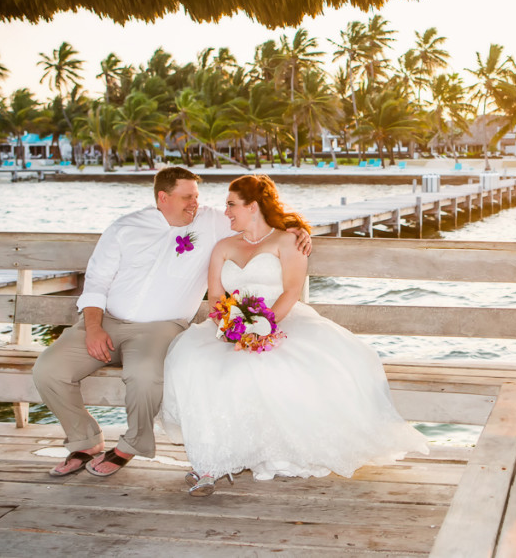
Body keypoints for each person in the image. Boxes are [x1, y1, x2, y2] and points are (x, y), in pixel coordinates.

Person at [32, 167, 311, 478]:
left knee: (144, 376)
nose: (195, 203)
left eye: (197, 196)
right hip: (105, 320)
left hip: (159, 328)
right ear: (163, 198)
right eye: (187, 197)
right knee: (48, 371)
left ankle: (132, 444)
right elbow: (96, 282)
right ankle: (85, 440)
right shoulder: (125, 228)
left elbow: (259, 215)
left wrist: (298, 230)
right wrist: (94, 327)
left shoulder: (213, 222)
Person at [160, 174, 428, 496]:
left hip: (282, 321)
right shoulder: (223, 247)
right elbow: (216, 296)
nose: (227, 212)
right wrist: (234, 326)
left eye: (231, 205)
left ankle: (237, 457)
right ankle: (210, 462)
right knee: (195, 364)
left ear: (253, 206)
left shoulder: (288, 241)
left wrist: (263, 326)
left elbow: (291, 291)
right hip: (230, 326)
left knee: (263, 367)